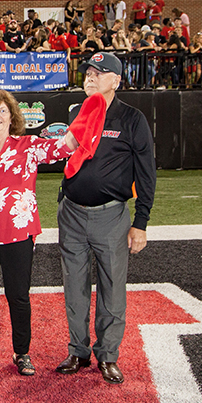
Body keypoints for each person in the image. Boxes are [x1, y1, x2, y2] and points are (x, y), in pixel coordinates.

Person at [0, 90, 77, 376]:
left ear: (12, 117)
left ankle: (22, 353)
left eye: (2, 111)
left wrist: (88, 120)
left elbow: (64, 147)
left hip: (18, 232)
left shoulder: (28, 146)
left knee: (18, 295)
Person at [56, 52, 155, 385]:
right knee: (74, 287)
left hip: (111, 216)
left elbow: (146, 173)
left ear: (117, 80)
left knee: (112, 289)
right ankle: (77, 351)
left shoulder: (132, 118)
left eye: (100, 72)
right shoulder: (76, 112)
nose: (90, 76)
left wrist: (140, 222)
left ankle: (108, 355)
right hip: (71, 213)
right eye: (88, 72)